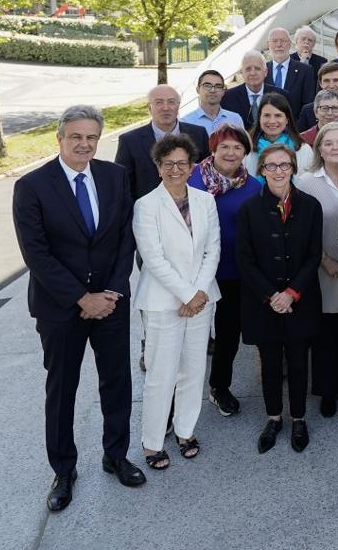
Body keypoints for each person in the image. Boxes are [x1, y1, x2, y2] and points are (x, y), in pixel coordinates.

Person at [13, 105, 146, 511]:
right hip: (60, 308)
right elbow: (36, 253)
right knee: (62, 388)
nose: (84, 144)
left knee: (117, 382)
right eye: (76, 137)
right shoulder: (32, 186)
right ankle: (64, 470)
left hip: (110, 301)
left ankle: (116, 455)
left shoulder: (115, 176)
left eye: (91, 137)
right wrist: (80, 297)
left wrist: (109, 292)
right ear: (60, 138)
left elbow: (127, 238)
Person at [132, 133, 220, 470]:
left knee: (193, 370)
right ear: (158, 167)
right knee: (161, 374)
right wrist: (186, 294)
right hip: (163, 302)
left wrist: (198, 293)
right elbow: (152, 258)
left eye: (182, 163)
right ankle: (153, 442)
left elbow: (213, 248)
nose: (175, 169)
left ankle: (185, 431)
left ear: (193, 166)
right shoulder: (146, 205)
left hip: (201, 299)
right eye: (168, 164)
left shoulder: (204, 201)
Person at [236, 143, 323, 454]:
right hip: (264, 303)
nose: (277, 171)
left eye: (284, 165)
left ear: (293, 168)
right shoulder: (248, 209)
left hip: (300, 299)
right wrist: (272, 295)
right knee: (270, 364)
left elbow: (314, 255)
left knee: (299, 363)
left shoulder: (311, 207)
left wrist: (291, 293)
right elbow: (244, 260)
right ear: (261, 170)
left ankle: (299, 418)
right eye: (270, 166)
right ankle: (273, 418)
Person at [187, 125, 261, 418]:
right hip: (194, 271)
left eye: (238, 147)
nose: (231, 153)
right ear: (213, 149)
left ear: (245, 152)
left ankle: (219, 386)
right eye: (225, 147)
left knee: (229, 333)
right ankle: (179, 396)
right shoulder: (192, 180)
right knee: (191, 333)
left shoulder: (253, 186)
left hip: (234, 271)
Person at [296, 122, 338, 418]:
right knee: (324, 332)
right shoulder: (305, 182)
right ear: (319, 149)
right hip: (322, 267)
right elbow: (299, 229)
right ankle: (326, 391)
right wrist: (324, 259)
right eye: (328, 143)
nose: (335, 148)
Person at [116, 85, 209, 201]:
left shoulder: (198, 134)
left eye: (171, 102)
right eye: (159, 102)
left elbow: (207, 174)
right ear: (149, 107)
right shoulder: (129, 141)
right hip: (148, 212)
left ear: (178, 106)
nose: (166, 108)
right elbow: (122, 185)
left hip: (192, 207)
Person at [243, 93, 314, 177]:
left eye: (278, 115)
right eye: (267, 115)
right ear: (259, 118)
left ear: (287, 119)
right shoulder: (246, 149)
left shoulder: (303, 150)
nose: (272, 121)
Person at [221, 50, 287, 126]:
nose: (253, 73)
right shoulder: (227, 98)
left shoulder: (282, 96)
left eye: (257, 68)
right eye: (248, 69)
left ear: (265, 72)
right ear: (242, 73)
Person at [266, 27, 318, 118]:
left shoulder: (305, 70)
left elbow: (308, 104)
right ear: (268, 44)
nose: (279, 45)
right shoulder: (262, 70)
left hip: (294, 128)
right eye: (274, 41)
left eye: (283, 41)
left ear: (290, 44)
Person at [181, 69, 245, 135]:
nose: (212, 90)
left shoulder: (235, 119)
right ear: (198, 90)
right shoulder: (186, 122)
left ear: (223, 91)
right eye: (207, 86)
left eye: (218, 86)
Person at [298, 61, 338, 129]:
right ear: (320, 84)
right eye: (326, 81)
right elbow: (301, 138)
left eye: (336, 80)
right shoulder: (307, 111)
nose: (331, 85)